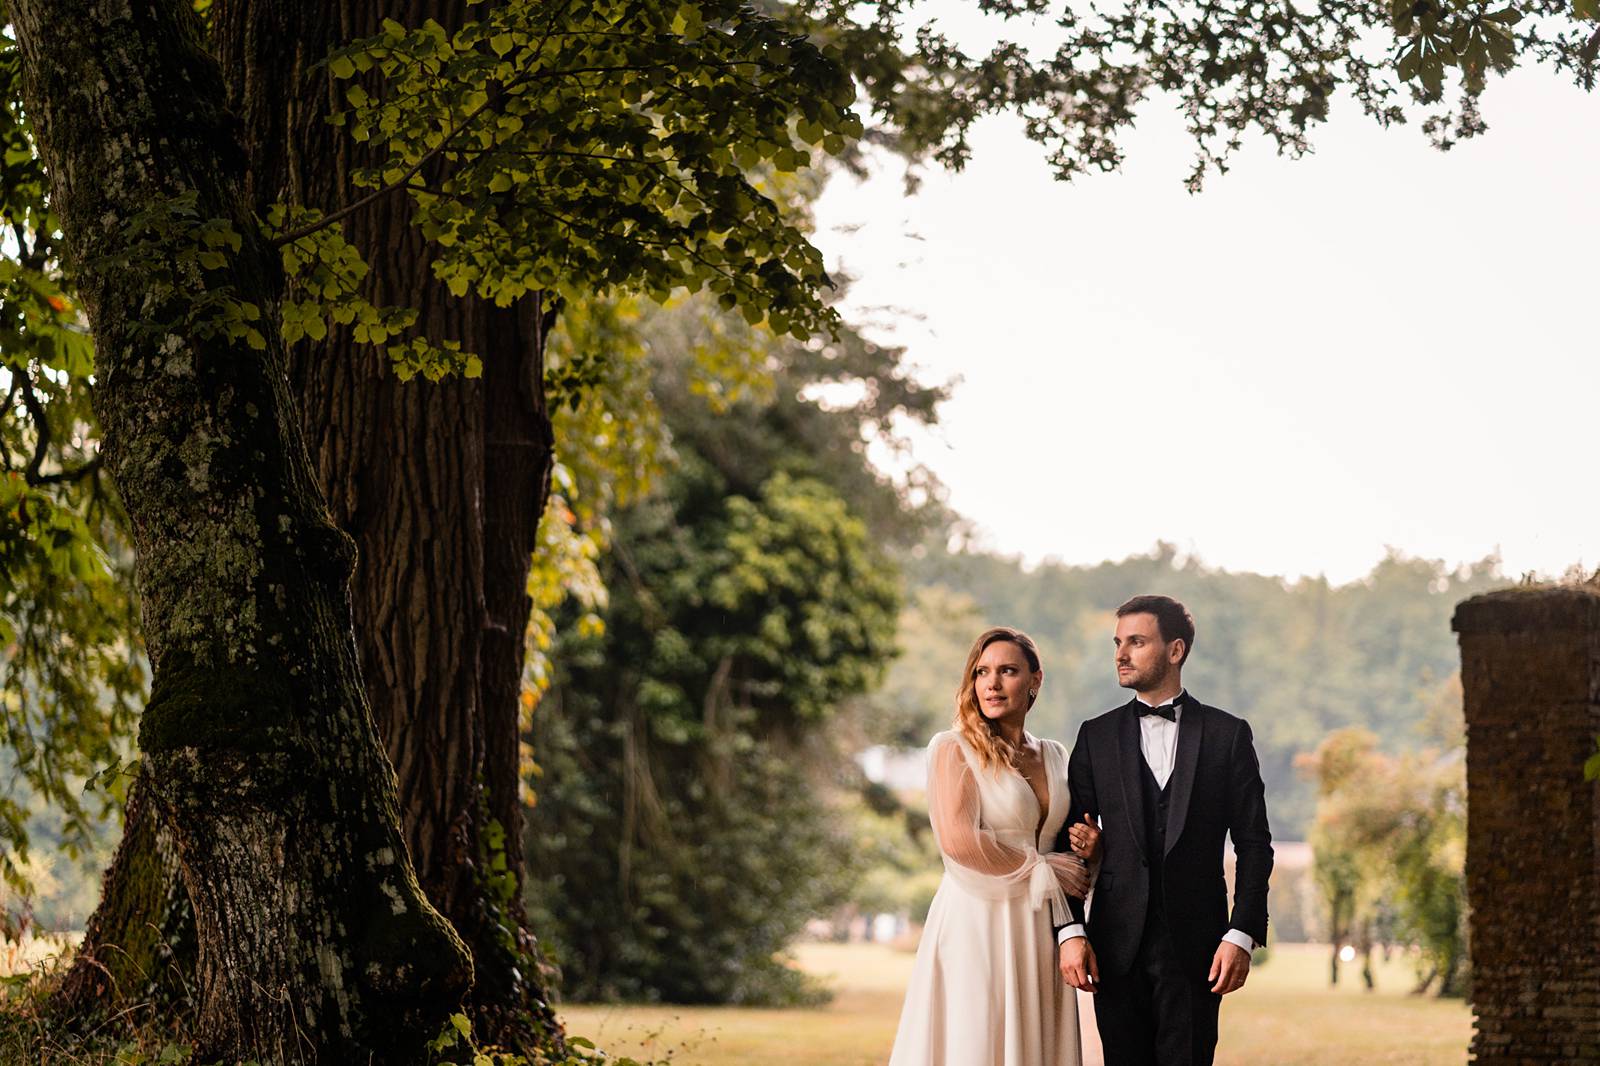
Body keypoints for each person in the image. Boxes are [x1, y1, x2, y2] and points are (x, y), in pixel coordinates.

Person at [1056, 595, 1273, 1066]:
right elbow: (1067, 842)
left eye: (1137, 641)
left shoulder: (1227, 735)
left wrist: (1241, 933)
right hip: (1114, 947)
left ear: (1175, 651)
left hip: (1197, 948)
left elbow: (1254, 844)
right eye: (1118, 642)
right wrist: (1071, 929)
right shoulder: (1095, 735)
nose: (1121, 653)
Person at [889, 626, 1099, 1066]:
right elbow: (960, 841)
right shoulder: (953, 749)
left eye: (1007, 671)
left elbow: (1066, 842)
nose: (992, 683)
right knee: (978, 1041)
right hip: (978, 919)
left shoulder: (1056, 755)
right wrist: (1044, 869)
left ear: (1035, 680)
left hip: (1042, 925)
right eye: (982, 672)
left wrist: (1090, 847)